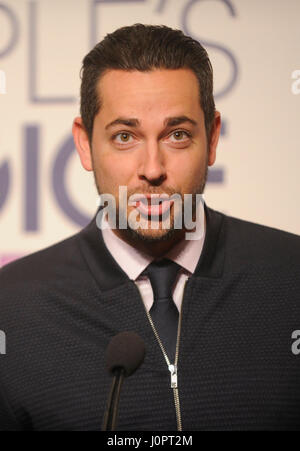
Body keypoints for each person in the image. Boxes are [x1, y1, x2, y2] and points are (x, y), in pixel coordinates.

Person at [0, 23, 300, 432]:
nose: (153, 169)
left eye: (177, 135)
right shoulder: (11, 307)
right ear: (85, 144)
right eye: (125, 137)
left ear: (212, 139)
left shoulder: (292, 276)